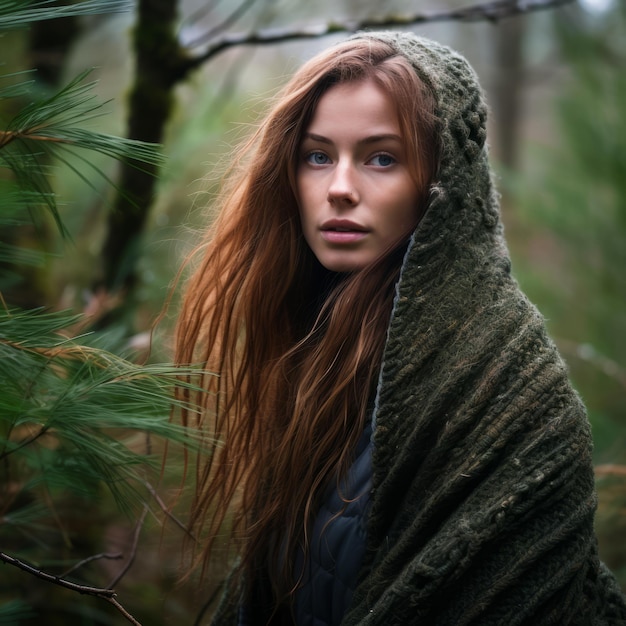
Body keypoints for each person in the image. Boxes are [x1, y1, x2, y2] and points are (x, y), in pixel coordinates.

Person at [174, 31, 626, 625]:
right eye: (317, 155)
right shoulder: (314, 348)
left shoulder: (512, 390)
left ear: (442, 183)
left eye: (381, 157)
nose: (339, 188)